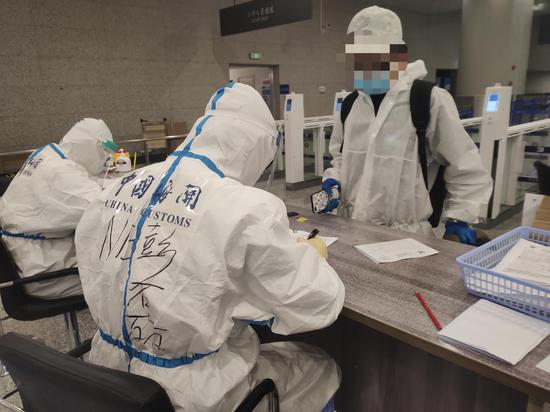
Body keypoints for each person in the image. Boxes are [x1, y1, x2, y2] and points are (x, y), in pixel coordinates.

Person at [75, 83, 345, 412]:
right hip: (190, 396)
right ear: (254, 149)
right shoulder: (245, 208)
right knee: (319, 365)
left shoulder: (116, 188)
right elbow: (317, 304)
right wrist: (313, 256)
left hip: (106, 382)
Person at [321, 6, 493, 243]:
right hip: (352, 229)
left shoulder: (427, 99)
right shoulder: (351, 104)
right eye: (361, 55)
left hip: (407, 239)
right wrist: (333, 180)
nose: (366, 62)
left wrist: (459, 218)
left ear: (397, 55)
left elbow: (465, 165)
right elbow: (341, 157)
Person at [0, 118, 116, 298]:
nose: (106, 159)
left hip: (24, 254)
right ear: (92, 147)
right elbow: (102, 208)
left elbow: (82, 182)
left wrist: (114, 183)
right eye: (105, 152)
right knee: (120, 275)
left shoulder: (49, 154)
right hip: (43, 270)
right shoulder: (60, 173)